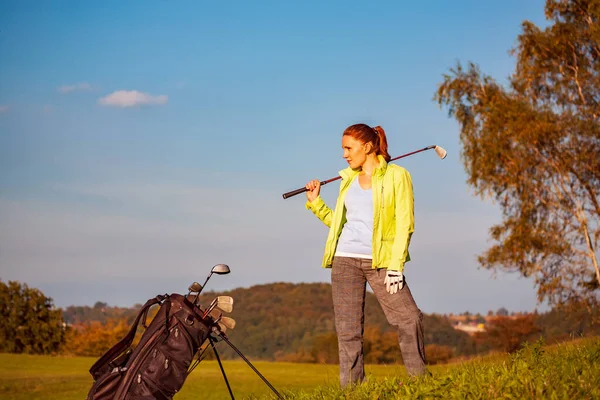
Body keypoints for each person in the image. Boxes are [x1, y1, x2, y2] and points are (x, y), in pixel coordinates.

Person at [304, 123, 427, 387]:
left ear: (368, 147)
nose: (344, 154)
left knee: (409, 318)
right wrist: (316, 203)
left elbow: (405, 223)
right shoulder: (347, 179)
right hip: (345, 260)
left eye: (348, 148)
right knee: (348, 332)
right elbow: (340, 224)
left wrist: (397, 266)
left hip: (382, 262)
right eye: (343, 149)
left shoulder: (397, 175)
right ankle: (352, 391)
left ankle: (421, 383)